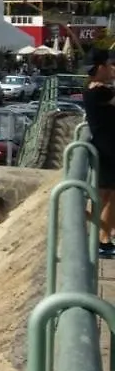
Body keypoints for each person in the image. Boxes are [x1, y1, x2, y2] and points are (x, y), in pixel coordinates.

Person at [82, 47, 115, 258]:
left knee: (104, 196)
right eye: (110, 65)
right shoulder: (99, 92)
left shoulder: (94, 90)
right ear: (101, 67)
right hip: (109, 150)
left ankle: (101, 236)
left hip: (105, 148)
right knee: (110, 196)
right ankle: (104, 239)